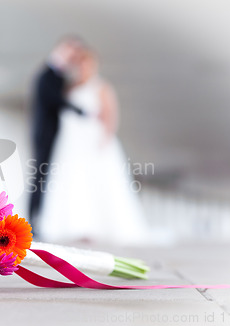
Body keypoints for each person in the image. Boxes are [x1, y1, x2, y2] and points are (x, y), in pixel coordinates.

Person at [38, 49, 149, 246]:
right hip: (71, 144)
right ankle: (77, 225)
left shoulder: (102, 87)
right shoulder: (69, 88)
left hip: (93, 142)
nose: (83, 68)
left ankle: (96, 226)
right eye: (80, 65)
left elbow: (110, 114)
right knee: (74, 183)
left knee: (97, 182)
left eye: (86, 64)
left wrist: (105, 139)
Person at [28, 37, 85, 235]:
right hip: (44, 132)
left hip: (53, 133)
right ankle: (32, 218)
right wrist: (74, 108)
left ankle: (38, 218)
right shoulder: (47, 74)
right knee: (39, 175)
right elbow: (51, 99)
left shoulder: (60, 76)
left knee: (44, 176)